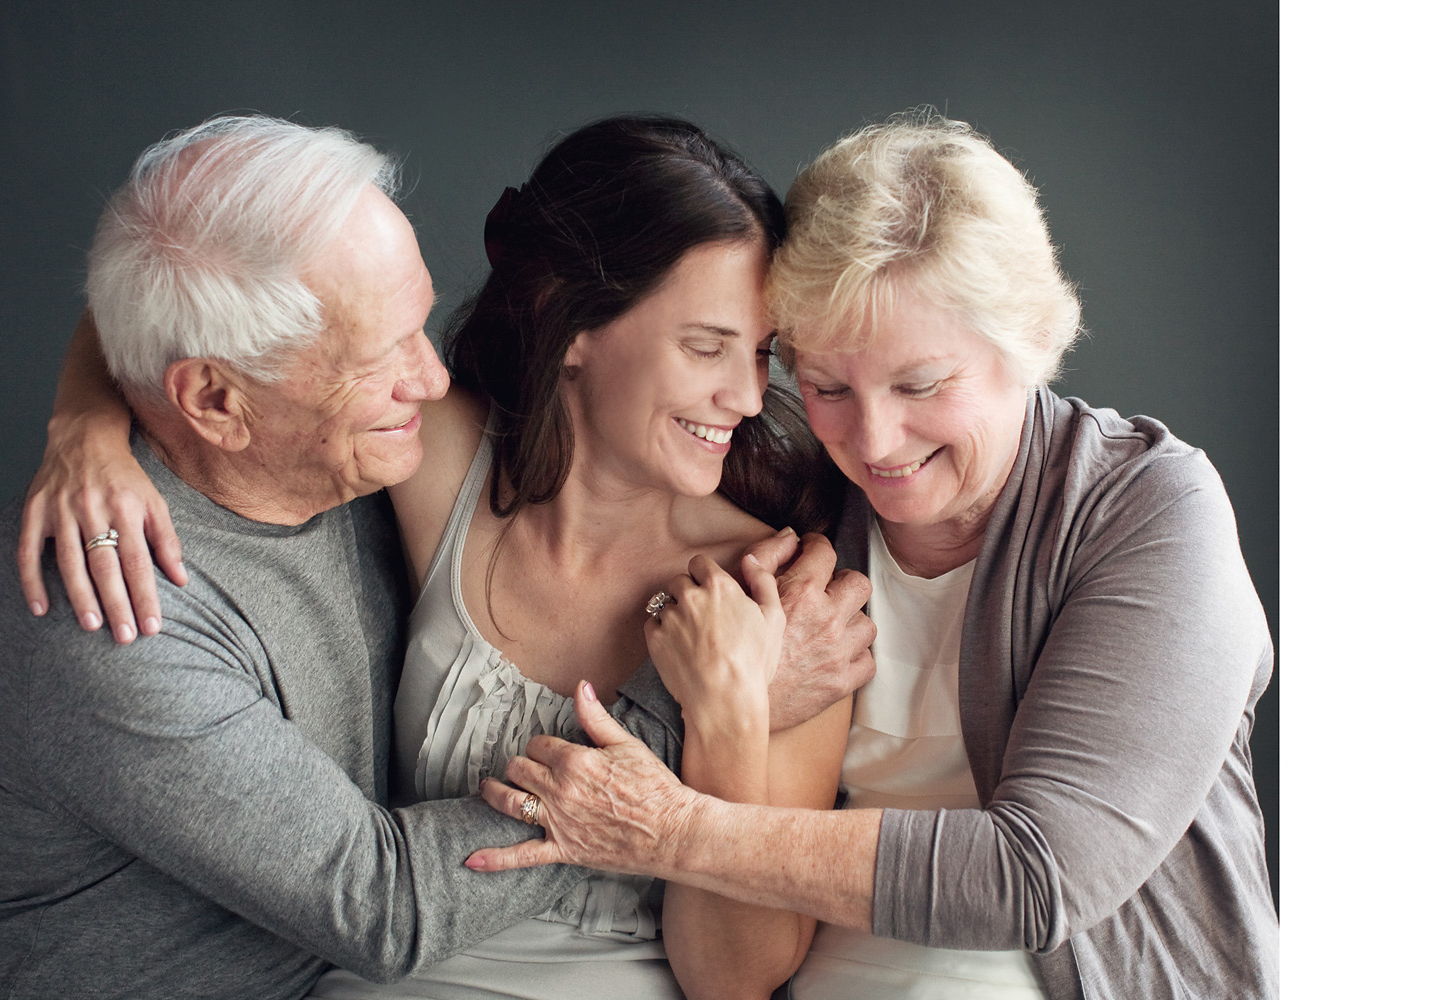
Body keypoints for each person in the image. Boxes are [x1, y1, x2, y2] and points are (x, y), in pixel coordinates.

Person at [0, 115, 871, 1000]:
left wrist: (81, 417)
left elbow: (169, 267)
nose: (433, 374)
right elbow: (379, 904)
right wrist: (719, 706)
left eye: (763, 353)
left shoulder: (362, 450)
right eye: (705, 347)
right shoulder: (114, 597)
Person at [469, 112, 1279, 1000]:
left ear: (1026, 345)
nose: (875, 440)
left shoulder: (1149, 510)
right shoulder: (798, 517)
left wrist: (669, 829)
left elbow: (1038, 875)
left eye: (921, 385)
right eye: (825, 386)